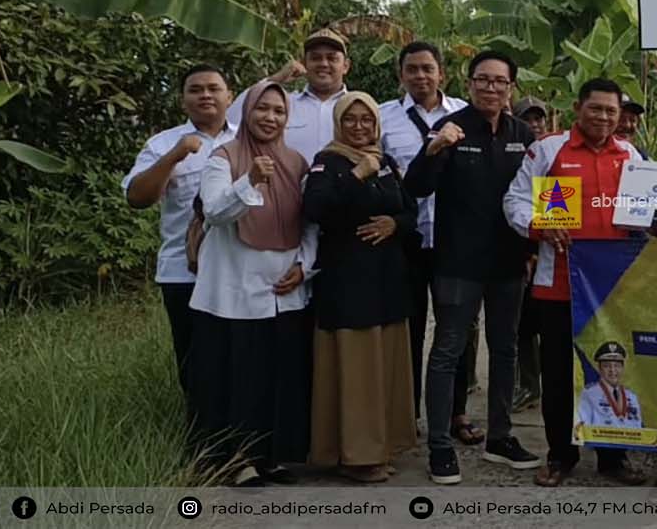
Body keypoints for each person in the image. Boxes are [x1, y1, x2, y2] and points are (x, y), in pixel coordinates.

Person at [504, 77, 649, 488]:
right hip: (559, 284)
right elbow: (514, 200)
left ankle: (612, 457)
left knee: (610, 370)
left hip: (613, 287)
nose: (604, 117)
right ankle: (560, 455)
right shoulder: (552, 150)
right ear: (577, 108)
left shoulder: (630, 154)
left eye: (611, 111)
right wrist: (539, 227)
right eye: (596, 108)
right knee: (558, 376)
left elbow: (642, 218)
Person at [405, 51, 542, 484]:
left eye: (500, 82)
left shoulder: (525, 134)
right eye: (483, 80)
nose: (491, 88)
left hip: (509, 263)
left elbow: (545, 195)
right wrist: (435, 148)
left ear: (510, 88)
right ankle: (440, 446)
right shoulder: (451, 128)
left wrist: (544, 241)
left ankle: (500, 437)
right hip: (458, 264)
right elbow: (416, 187)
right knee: (447, 351)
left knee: (506, 350)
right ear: (469, 83)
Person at [188, 82, 316, 487]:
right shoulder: (222, 158)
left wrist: (304, 266)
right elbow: (214, 212)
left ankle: (271, 455)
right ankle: (235, 459)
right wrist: (249, 181)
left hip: (284, 288)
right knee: (238, 377)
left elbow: (309, 223)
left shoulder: (297, 162)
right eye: (263, 109)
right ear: (247, 112)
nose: (271, 118)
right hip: (234, 289)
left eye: (279, 111)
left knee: (279, 376)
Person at [303, 92, 419, 483]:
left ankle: (385, 444)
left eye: (366, 120)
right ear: (339, 123)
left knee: (385, 367)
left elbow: (410, 209)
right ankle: (356, 455)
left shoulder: (384, 161)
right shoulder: (327, 162)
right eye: (350, 119)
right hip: (348, 284)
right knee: (356, 372)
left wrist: (394, 224)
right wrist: (357, 175)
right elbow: (316, 211)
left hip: (387, 281)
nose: (358, 127)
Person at [375, 42, 481, 443]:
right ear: (401, 75)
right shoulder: (383, 119)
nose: (420, 76)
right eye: (412, 69)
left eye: (427, 69)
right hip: (407, 240)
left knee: (458, 330)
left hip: (455, 240)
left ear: (442, 74)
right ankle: (408, 414)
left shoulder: (466, 115)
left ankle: (457, 413)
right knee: (410, 328)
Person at [123, 64, 236, 397]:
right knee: (195, 362)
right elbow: (137, 198)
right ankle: (202, 442)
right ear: (183, 100)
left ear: (229, 97)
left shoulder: (249, 136)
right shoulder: (164, 144)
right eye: (195, 89)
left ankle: (244, 439)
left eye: (213, 88)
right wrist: (175, 156)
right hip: (184, 272)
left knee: (240, 359)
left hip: (240, 267)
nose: (205, 95)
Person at [228, 27, 350, 164]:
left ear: (345, 66)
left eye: (332, 58)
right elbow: (232, 120)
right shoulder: (283, 105)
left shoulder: (359, 109)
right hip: (286, 184)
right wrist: (275, 79)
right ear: (304, 64)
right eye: (315, 58)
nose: (323, 64)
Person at [512, 96, 549, 413]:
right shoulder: (513, 154)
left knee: (540, 327)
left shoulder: (553, 157)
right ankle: (527, 384)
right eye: (528, 119)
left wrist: (537, 250)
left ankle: (536, 384)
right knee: (521, 327)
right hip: (516, 252)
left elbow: (558, 212)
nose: (534, 125)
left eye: (539, 119)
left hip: (546, 256)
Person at [575, 342, 643, 428]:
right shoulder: (589, 394)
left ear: (622, 368)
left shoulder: (632, 397)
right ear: (599, 369)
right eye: (607, 366)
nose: (612, 370)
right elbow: (583, 429)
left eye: (617, 366)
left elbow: (638, 429)